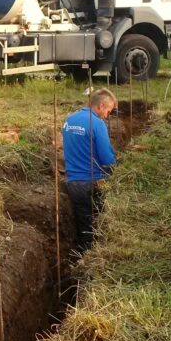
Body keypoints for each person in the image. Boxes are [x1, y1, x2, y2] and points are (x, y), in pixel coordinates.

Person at [61, 87, 117, 252]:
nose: (107, 115)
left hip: (74, 184)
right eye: (108, 110)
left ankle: (85, 252)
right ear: (100, 106)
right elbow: (107, 158)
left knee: (83, 222)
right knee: (100, 220)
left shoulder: (69, 120)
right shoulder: (97, 124)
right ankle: (100, 252)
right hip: (95, 182)